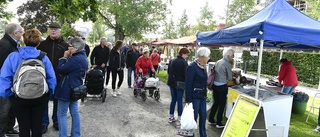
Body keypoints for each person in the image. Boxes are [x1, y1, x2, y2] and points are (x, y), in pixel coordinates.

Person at [0, 28, 56, 137]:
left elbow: (4, 77)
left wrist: (9, 94)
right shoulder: (43, 57)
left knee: (23, 127)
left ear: (23, 40)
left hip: (19, 97)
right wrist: (49, 93)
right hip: (40, 96)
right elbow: (51, 78)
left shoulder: (14, 56)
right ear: (39, 42)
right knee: (37, 126)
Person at [37, 22, 69, 133]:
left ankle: (56, 120)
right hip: (43, 77)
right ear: (48, 31)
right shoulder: (42, 45)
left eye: (55, 29)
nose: (53, 31)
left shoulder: (65, 45)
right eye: (51, 29)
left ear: (60, 31)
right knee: (43, 100)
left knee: (57, 100)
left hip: (59, 77)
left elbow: (68, 61)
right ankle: (44, 122)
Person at [55, 37, 88, 137]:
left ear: (76, 48)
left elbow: (60, 69)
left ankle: (63, 135)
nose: (68, 48)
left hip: (66, 89)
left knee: (61, 114)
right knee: (74, 112)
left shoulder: (75, 59)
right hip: (76, 88)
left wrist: (64, 57)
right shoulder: (83, 57)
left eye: (70, 46)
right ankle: (76, 134)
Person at [0, 23, 23, 137]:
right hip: (5, 83)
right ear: (15, 34)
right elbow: (3, 65)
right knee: (4, 109)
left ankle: (9, 128)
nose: (22, 33)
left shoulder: (13, 44)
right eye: (21, 31)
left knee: (11, 108)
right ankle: (1, 132)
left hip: (12, 82)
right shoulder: (5, 45)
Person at [185, 47, 211, 137]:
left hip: (202, 96)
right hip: (194, 97)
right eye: (208, 56)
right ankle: (190, 134)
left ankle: (203, 134)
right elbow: (188, 84)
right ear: (202, 57)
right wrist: (188, 100)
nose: (209, 58)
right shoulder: (192, 67)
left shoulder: (203, 66)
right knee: (194, 117)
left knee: (203, 116)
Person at [208, 48, 234, 129]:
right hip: (222, 86)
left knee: (216, 103)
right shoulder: (227, 63)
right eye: (232, 55)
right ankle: (219, 122)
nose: (233, 57)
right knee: (222, 104)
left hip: (215, 85)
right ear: (228, 55)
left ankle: (211, 119)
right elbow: (230, 77)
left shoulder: (218, 61)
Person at [167, 47, 190, 123]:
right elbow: (186, 74)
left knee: (173, 100)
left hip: (171, 83)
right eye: (186, 54)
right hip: (180, 83)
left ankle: (171, 116)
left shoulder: (172, 60)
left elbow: (168, 71)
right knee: (179, 100)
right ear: (183, 54)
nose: (187, 56)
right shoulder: (184, 63)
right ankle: (180, 117)